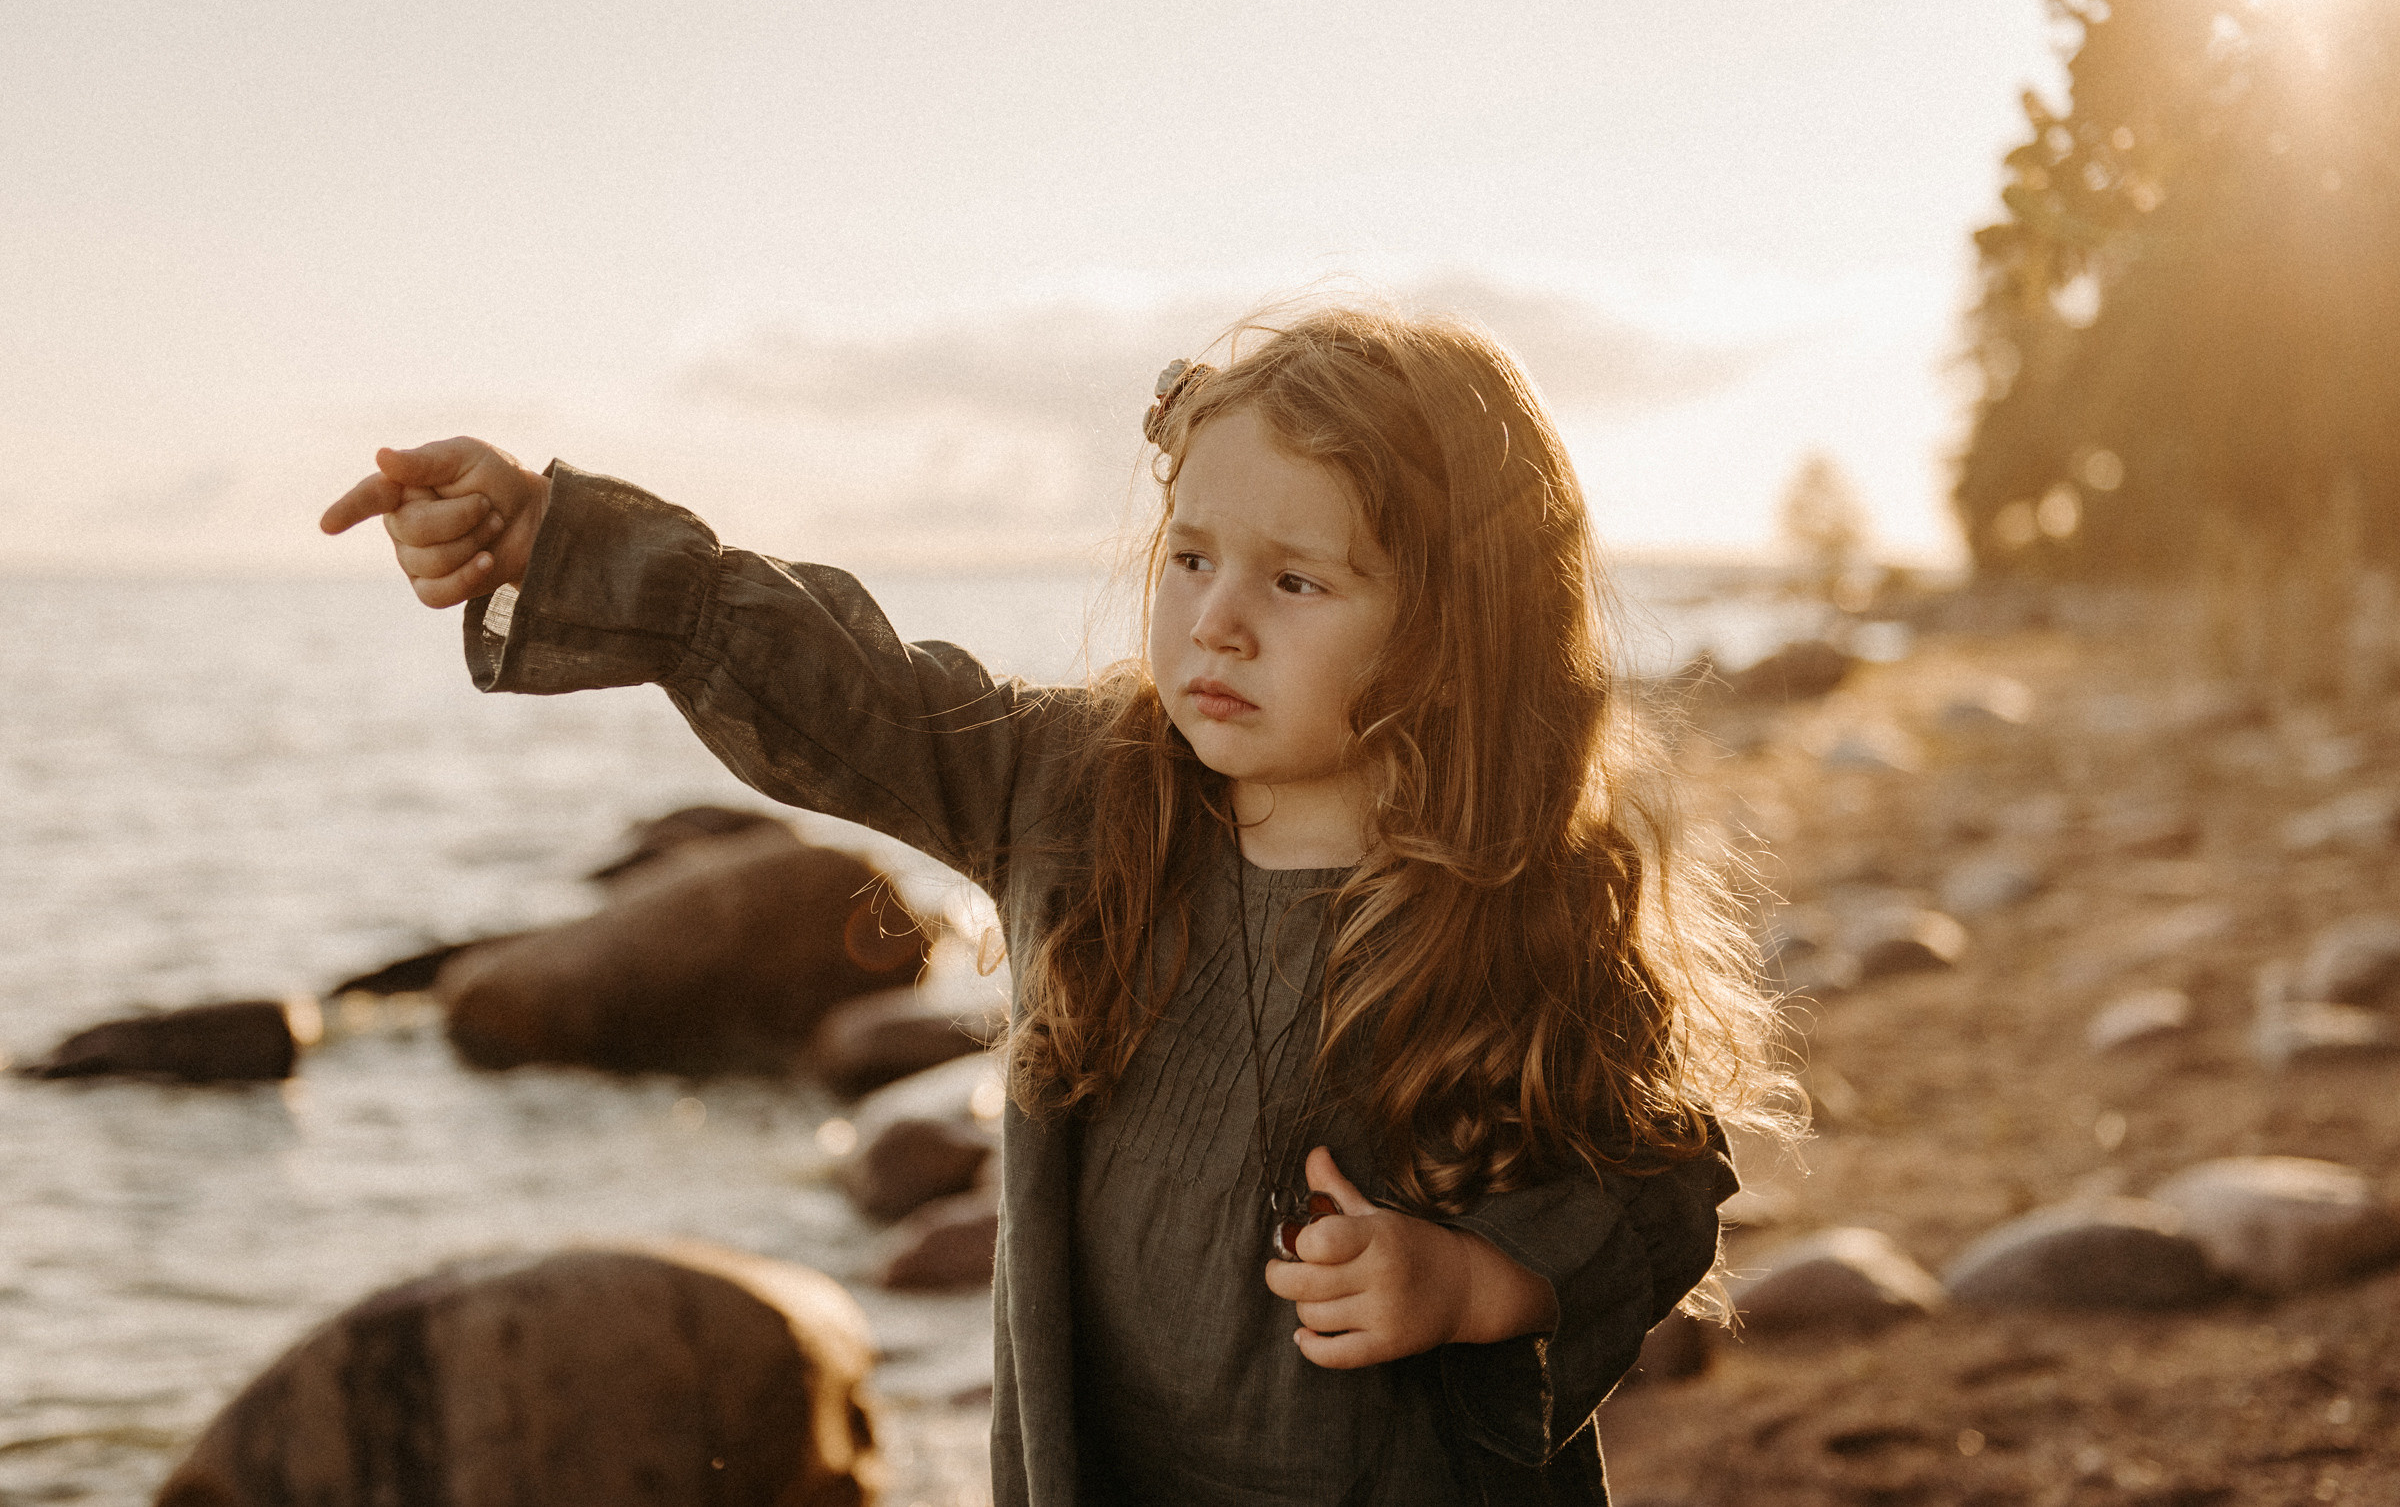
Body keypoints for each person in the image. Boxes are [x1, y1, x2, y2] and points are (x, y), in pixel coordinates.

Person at [319, 303, 1793, 1505]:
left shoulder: (1515, 902)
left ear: (1453, 629)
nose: (1216, 616)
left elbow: (1659, 1184)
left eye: (1296, 580)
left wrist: (1470, 1284)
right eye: (1195, 557)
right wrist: (562, 540)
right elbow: (852, 687)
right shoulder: (1082, 793)